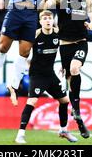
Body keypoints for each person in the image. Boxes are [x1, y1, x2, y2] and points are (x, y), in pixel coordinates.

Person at [42, 0, 92, 139]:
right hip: (64, 46)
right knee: (70, 81)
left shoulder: (87, 0)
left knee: (75, 68)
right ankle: (78, 118)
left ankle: (77, 110)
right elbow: (45, 9)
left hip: (81, 42)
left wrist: (91, 24)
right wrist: (46, 0)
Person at [15, 10, 77, 144]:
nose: (48, 20)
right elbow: (24, 50)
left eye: (50, 18)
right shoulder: (35, 34)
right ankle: (20, 135)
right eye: (45, 18)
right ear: (41, 21)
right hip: (37, 75)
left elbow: (66, 48)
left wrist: (65, 64)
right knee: (32, 101)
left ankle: (63, 130)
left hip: (50, 74)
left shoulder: (58, 33)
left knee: (65, 101)